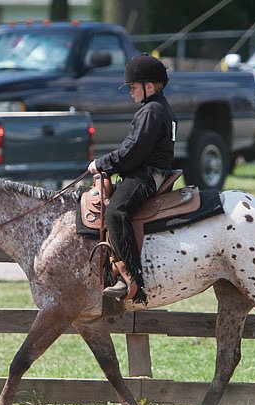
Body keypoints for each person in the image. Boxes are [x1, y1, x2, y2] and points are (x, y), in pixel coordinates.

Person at [87, 54, 177, 303]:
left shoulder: (151, 112)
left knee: (116, 212)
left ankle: (131, 278)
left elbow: (132, 151)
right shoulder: (158, 108)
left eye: (133, 87)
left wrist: (101, 163)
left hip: (147, 176)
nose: (130, 93)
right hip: (150, 172)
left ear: (149, 87)